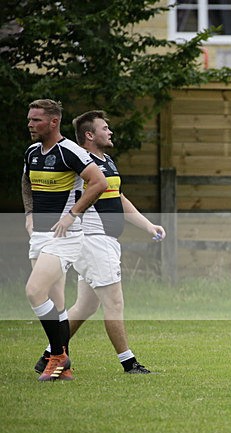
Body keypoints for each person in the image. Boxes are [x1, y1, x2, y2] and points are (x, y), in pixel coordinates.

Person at [34, 110, 164, 375]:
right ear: (89, 135)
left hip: (102, 242)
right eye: (105, 128)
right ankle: (129, 363)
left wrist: (148, 225)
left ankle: (50, 354)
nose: (110, 131)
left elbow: (120, 198)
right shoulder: (80, 162)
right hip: (94, 241)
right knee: (114, 303)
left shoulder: (106, 161)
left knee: (86, 306)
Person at [21, 99, 108, 381]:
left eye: (36, 120)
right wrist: (30, 213)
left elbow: (99, 183)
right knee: (57, 304)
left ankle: (57, 354)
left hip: (65, 236)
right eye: (30, 119)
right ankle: (63, 369)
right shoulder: (33, 151)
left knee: (34, 291)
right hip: (41, 235)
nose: (30, 124)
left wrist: (72, 214)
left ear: (54, 122)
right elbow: (26, 182)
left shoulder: (69, 151)